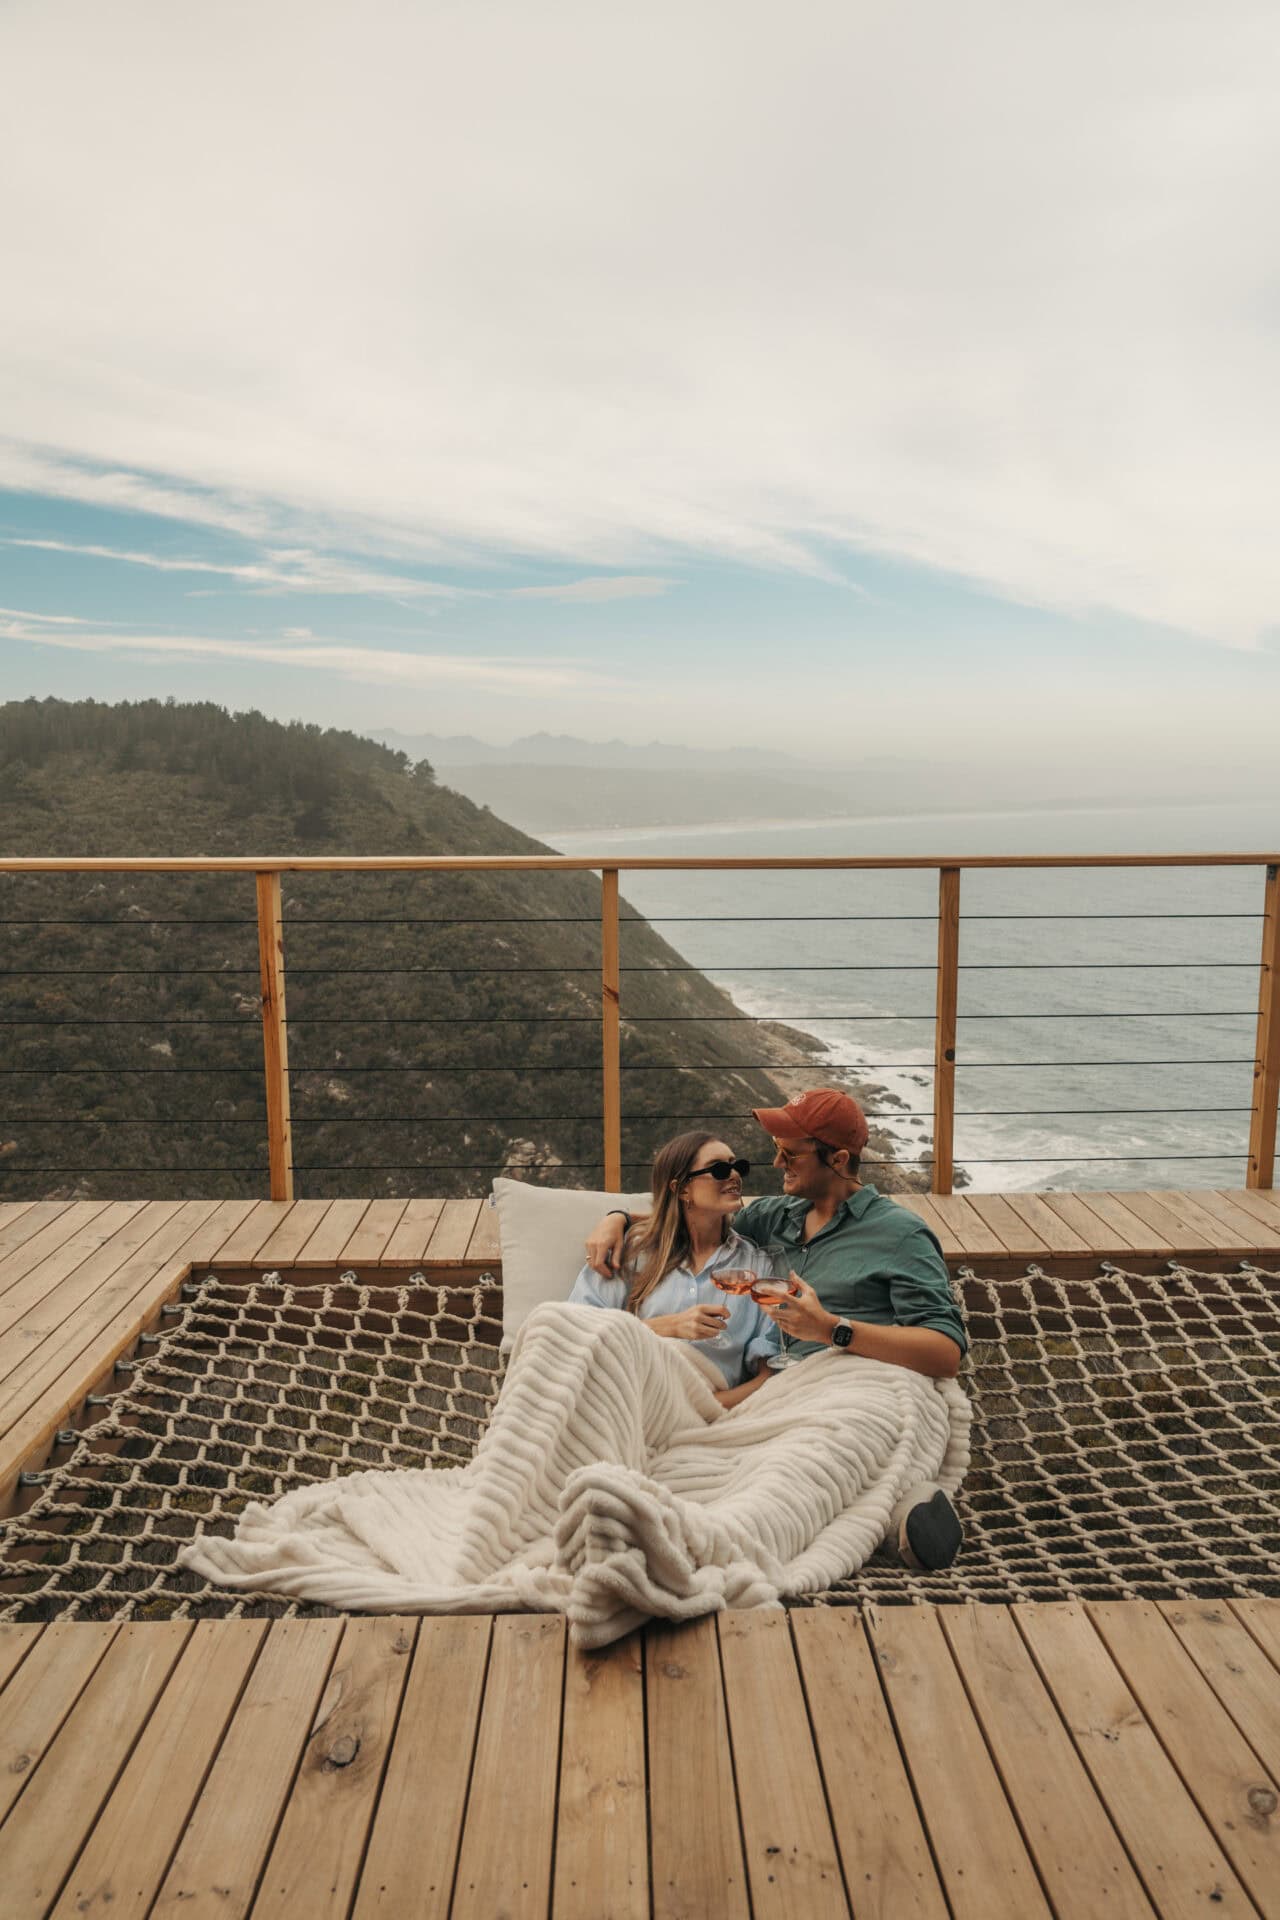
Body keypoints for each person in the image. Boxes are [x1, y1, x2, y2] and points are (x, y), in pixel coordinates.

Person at [584, 1087, 968, 1570]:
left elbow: (946, 1351)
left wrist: (833, 1330)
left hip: (856, 1380)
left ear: (838, 1159)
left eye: (791, 1153)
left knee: (804, 1460)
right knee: (752, 1466)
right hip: (780, 1395)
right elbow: (689, 1211)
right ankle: (886, 1516)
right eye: (777, 1149)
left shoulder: (900, 1234)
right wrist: (616, 1218)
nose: (776, 1161)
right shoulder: (776, 1216)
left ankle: (711, 1549)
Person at [568, 1130, 780, 1407]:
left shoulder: (757, 1265)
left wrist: (706, 1407)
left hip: (713, 1404)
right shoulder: (632, 1251)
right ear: (681, 1189)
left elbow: (769, 1374)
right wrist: (667, 1326)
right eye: (719, 1169)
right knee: (544, 1322)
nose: (734, 1175)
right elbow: (575, 1335)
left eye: (738, 1166)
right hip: (628, 1396)